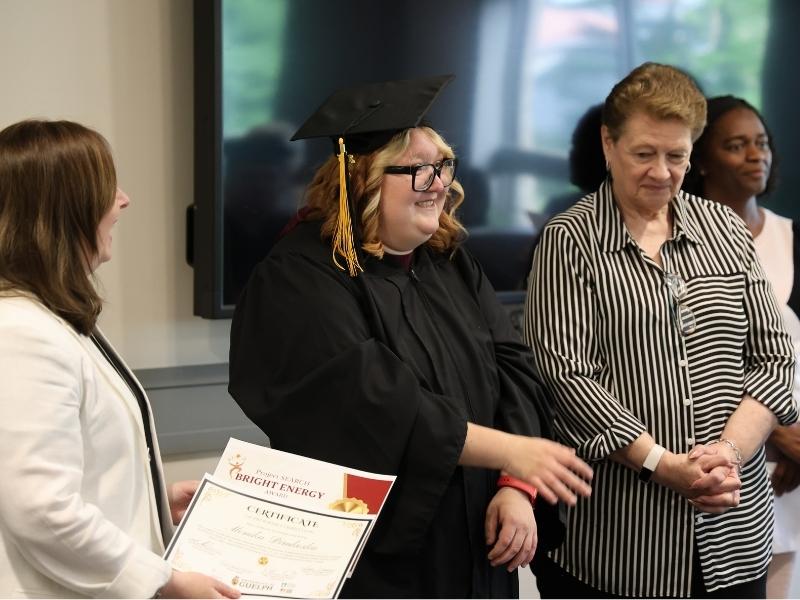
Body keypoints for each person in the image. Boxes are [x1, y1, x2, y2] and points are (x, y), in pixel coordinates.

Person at [228, 75, 593, 598]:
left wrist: (516, 486)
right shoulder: (299, 278)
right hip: (380, 557)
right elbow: (372, 403)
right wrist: (510, 451)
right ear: (363, 180)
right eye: (420, 171)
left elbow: (515, 370)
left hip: (480, 538)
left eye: (443, 166)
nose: (440, 184)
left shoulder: (450, 262)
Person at [525, 63, 797, 598]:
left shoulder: (723, 228)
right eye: (644, 153)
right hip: (619, 540)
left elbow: (773, 356)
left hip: (734, 535)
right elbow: (568, 376)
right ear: (608, 143)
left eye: (677, 156)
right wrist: (659, 463)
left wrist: (728, 456)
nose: (662, 173)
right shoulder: (570, 240)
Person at [0, 120, 240, 599]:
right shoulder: (21, 334)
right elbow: (42, 511)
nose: (123, 200)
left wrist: (149, 497)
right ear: (65, 211)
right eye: (107, 188)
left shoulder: (52, 318)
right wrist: (166, 582)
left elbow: (70, 472)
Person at [683, 95, 800, 599]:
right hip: (728, 460)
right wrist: (779, 433)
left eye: (762, 143)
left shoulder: (793, 237)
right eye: (737, 145)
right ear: (701, 159)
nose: (758, 155)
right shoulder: (679, 241)